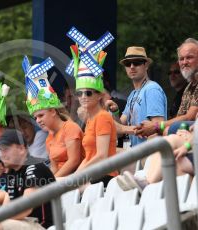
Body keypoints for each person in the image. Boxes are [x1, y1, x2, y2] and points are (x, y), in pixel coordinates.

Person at [67, 36, 118, 186]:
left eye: (88, 93)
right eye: (79, 93)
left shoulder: (102, 117)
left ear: (100, 95)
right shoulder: (90, 119)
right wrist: (75, 176)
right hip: (93, 176)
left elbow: (101, 156)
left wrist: (77, 177)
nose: (83, 97)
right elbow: (89, 158)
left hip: (104, 178)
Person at [22, 55, 83, 177]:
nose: (38, 121)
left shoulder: (70, 128)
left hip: (76, 180)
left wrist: (52, 183)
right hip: (61, 183)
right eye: (35, 118)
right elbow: (54, 166)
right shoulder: (50, 137)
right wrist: (45, 183)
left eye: (41, 115)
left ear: (53, 111)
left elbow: (74, 161)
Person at [0, 129, 55, 229]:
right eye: (0, 150)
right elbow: (6, 208)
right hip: (25, 223)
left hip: (43, 226)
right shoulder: (12, 172)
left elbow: (25, 209)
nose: (1, 155)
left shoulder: (34, 167)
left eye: (5, 149)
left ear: (21, 149)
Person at [106, 46, 167, 147]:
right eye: (128, 63)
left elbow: (158, 126)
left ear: (146, 65)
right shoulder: (132, 94)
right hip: (138, 154)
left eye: (137, 62)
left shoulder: (152, 89)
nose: (132, 66)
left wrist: (122, 128)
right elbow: (119, 132)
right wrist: (115, 112)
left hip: (149, 155)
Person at [135, 39, 198, 136]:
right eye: (181, 59)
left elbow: (190, 117)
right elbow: (180, 118)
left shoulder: (152, 89)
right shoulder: (189, 87)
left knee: (169, 130)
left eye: (189, 57)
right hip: (188, 139)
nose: (184, 62)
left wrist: (156, 126)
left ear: (146, 66)